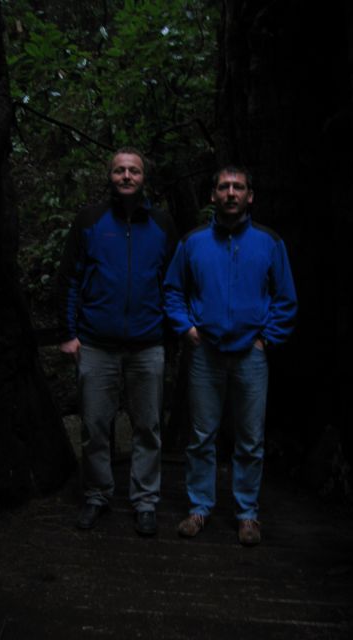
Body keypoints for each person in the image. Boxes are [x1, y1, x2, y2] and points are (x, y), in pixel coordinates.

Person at [164, 165, 297, 545]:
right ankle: (199, 508)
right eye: (224, 187)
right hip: (204, 352)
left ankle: (247, 514)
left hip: (251, 354)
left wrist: (266, 338)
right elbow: (173, 290)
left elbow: (285, 297)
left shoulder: (269, 242)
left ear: (250, 196)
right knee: (201, 436)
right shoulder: (193, 242)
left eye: (238, 187)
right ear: (213, 195)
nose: (231, 193)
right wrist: (187, 328)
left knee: (250, 439)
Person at [56, 148, 177, 536]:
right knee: (94, 426)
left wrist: (172, 335)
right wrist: (68, 334)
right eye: (120, 170)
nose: (126, 176)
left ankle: (145, 501)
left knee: (148, 427)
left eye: (134, 171)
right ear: (109, 176)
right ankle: (97, 495)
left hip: (147, 343)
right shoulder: (90, 220)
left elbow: (173, 284)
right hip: (96, 343)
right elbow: (70, 279)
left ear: (144, 178)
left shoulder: (161, 224)